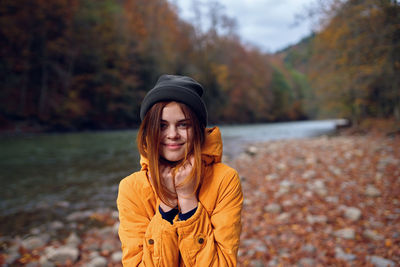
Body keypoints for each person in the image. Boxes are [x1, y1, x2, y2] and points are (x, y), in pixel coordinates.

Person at [117, 74, 243, 266]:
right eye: (161, 126)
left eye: (183, 125)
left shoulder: (225, 180)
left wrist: (188, 201)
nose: (172, 135)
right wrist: (166, 208)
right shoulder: (131, 188)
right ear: (148, 130)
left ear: (198, 130)